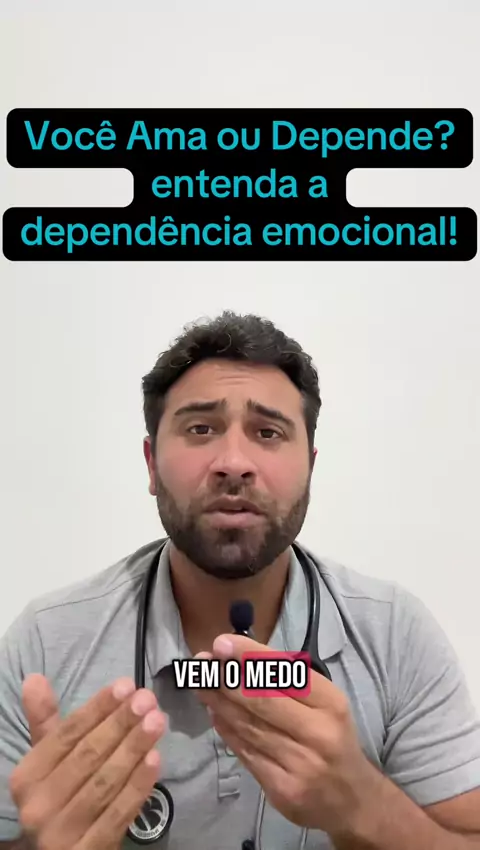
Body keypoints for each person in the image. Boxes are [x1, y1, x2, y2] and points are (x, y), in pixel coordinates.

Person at [1, 311, 480, 850]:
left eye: (268, 432)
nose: (233, 462)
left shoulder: (395, 636)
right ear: (151, 464)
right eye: (200, 429)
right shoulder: (45, 645)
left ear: (311, 467)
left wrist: (363, 807)